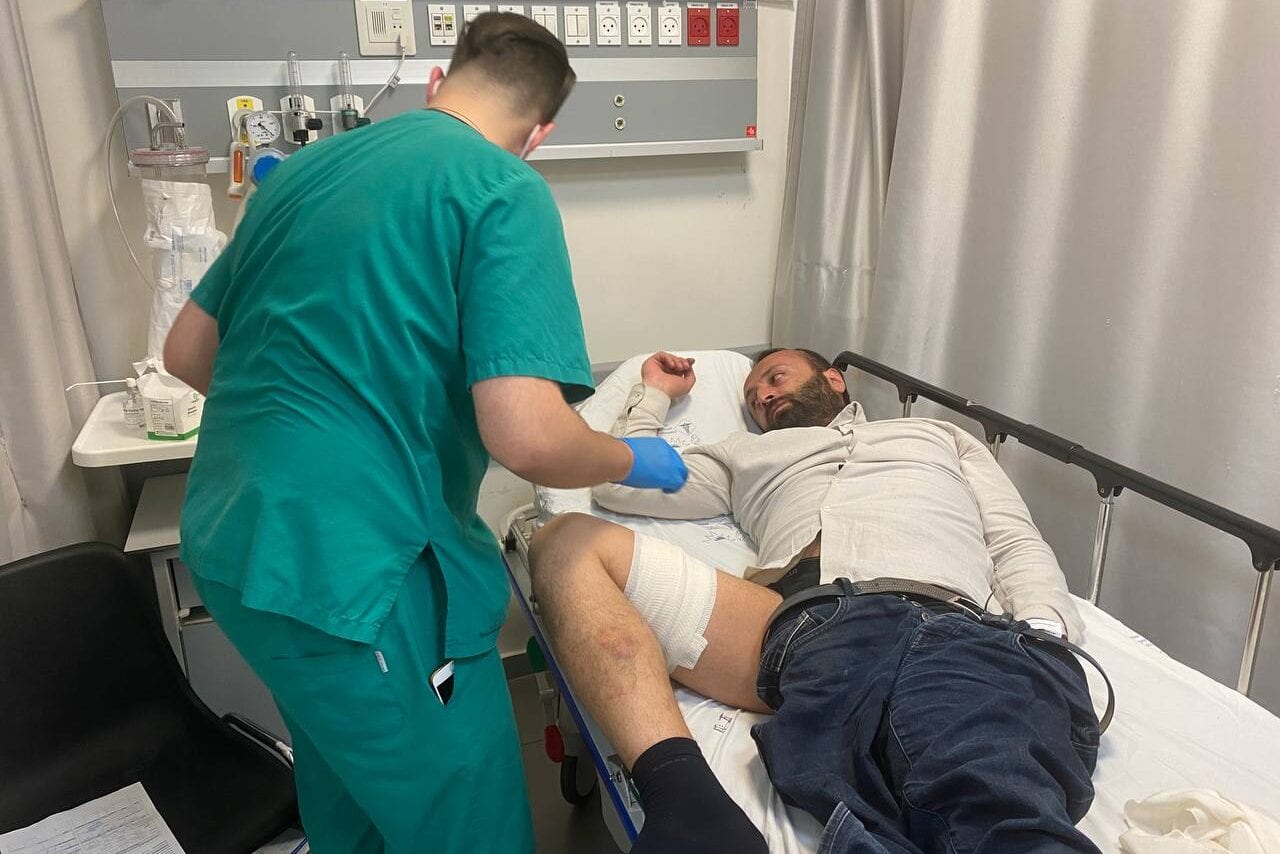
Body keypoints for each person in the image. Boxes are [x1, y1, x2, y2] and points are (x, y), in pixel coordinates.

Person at [161, 14, 687, 854]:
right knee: (462, 822)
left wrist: (321, 408)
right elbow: (528, 436)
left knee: (350, 786)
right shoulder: (501, 190)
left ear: (438, 81)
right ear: (539, 134)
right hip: (358, 580)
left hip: (235, 546)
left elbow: (187, 353)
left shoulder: (302, 172)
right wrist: (636, 457)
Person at [530, 349, 1105, 854]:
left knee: (978, 781)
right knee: (563, 544)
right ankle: (689, 801)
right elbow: (619, 483)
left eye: (775, 379)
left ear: (834, 379)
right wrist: (655, 391)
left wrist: (1041, 632)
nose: (765, 397)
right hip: (790, 619)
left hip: (938, 613)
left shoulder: (939, 437)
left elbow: (1012, 538)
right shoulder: (739, 456)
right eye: (754, 398)